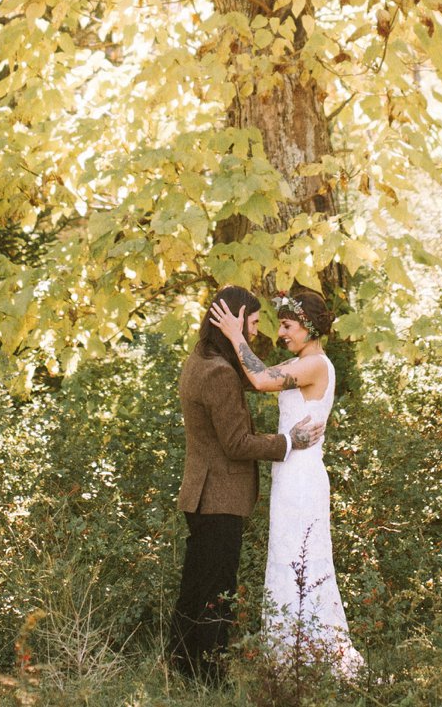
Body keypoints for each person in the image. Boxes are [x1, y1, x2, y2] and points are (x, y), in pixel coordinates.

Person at [167, 285, 323, 685]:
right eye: (251, 323)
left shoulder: (200, 360)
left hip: (202, 491)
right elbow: (237, 444)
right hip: (219, 494)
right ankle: (209, 675)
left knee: (198, 583)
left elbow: (258, 374)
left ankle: (182, 664)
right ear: (235, 319)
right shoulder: (219, 372)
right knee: (217, 588)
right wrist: (289, 442)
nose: (256, 331)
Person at [208, 287, 363, 677]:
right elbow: (252, 377)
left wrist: (236, 333)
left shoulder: (315, 365)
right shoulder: (301, 364)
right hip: (288, 475)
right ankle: (289, 660)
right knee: (286, 558)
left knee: (303, 561)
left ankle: (313, 659)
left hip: (302, 479)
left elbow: (259, 379)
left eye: (289, 326)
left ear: (309, 327)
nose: (282, 334)